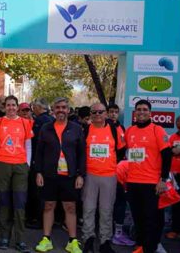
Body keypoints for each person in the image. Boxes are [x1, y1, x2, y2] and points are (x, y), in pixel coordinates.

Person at [34, 97, 85, 253]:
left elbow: (82, 154)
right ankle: (46, 239)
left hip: (69, 176)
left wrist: (80, 174)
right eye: (58, 107)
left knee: (70, 207)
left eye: (64, 107)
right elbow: (39, 152)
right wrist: (39, 172)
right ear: (53, 110)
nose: (61, 110)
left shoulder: (76, 128)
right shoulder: (46, 128)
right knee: (48, 206)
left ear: (68, 110)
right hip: (49, 175)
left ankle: (72, 241)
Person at [125, 99, 171, 253]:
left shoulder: (157, 130)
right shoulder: (130, 130)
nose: (141, 112)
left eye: (145, 109)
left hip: (152, 183)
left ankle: (151, 247)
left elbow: (167, 155)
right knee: (138, 217)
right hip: (132, 181)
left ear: (150, 113)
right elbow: (127, 155)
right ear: (135, 113)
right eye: (139, 109)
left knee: (152, 218)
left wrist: (163, 179)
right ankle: (141, 244)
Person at [0, 95, 34, 252]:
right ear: (4, 107)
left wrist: (27, 164)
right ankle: (4, 237)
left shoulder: (25, 123)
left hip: (20, 166)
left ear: (17, 107)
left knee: (20, 203)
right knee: (4, 202)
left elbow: (28, 145)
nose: (10, 107)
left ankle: (20, 239)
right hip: (2, 164)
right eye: (7, 105)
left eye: (13, 105)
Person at [81, 103, 125, 253]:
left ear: (106, 114)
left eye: (100, 112)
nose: (97, 114)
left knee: (106, 210)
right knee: (88, 209)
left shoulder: (114, 129)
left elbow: (121, 150)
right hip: (90, 176)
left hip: (108, 176)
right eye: (94, 112)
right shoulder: (86, 130)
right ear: (90, 114)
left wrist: (111, 165)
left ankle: (105, 240)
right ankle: (88, 238)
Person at [105, 103, 134, 246]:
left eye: (116, 112)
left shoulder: (121, 128)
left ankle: (116, 232)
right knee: (112, 202)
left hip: (119, 169)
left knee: (118, 201)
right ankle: (111, 232)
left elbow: (124, 148)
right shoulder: (105, 126)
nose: (113, 114)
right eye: (111, 111)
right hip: (107, 169)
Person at [27, 98, 54, 228]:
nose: (32, 109)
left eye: (34, 107)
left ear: (38, 107)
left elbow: (35, 142)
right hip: (50, 161)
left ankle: (39, 220)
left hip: (40, 160)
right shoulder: (51, 120)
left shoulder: (40, 121)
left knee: (38, 192)